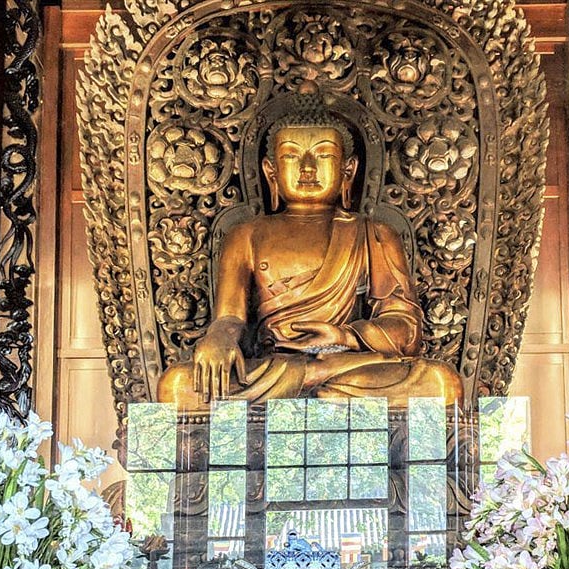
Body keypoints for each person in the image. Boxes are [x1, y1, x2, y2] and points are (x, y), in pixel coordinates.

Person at [157, 84, 463, 410]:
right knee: (177, 385)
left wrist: (346, 337)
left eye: (323, 155)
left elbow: (405, 328)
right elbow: (230, 316)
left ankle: (317, 376)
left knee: (441, 382)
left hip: (346, 365)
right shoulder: (245, 234)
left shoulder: (373, 233)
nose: (306, 168)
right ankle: (313, 377)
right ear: (270, 172)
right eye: (291, 155)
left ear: (349, 171)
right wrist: (218, 338)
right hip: (273, 367)